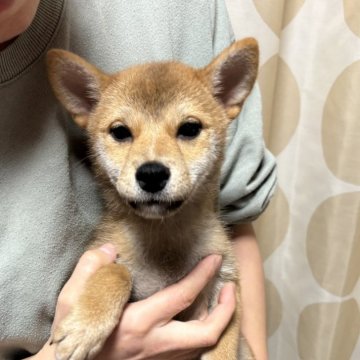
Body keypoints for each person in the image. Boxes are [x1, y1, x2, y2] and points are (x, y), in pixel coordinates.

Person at [0, 0, 276, 359]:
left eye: (188, 129)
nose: (152, 162)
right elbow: (112, 272)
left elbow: (237, 234)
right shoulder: (116, 253)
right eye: (122, 133)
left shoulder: (184, 10)